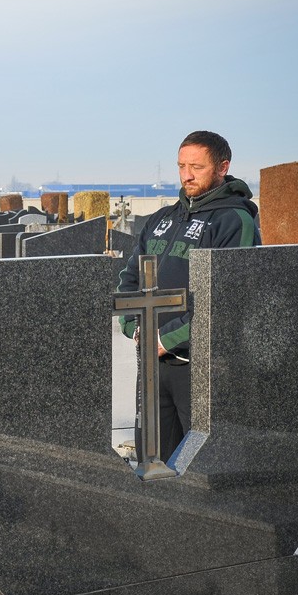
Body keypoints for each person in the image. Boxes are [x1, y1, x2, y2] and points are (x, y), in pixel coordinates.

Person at [117, 130, 262, 462]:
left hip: (199, 366)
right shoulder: (161, 220)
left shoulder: (233, 220)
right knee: (152, 461)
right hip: (152, 365)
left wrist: (167, 339)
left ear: (222, 167)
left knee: (196, 465)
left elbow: (226, 298)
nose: (186, 175)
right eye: (181, 165)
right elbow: (129, 279)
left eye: (196, 166)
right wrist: (135, 328)